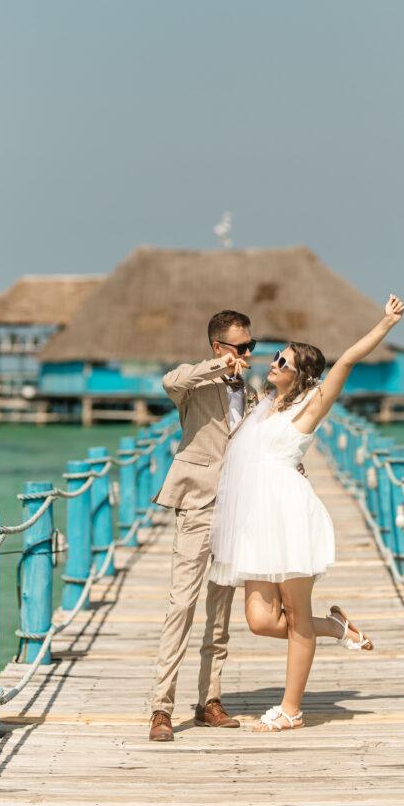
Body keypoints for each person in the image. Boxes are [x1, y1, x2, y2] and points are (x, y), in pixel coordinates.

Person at [209, 293, 404, 732]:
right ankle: (337, 628)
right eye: (275, 356)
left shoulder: (312, 403)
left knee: (296, 618)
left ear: (301, 372)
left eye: (283, 359)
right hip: (254, 521)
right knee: (260, 621)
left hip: (289, 514)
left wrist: (385, 324)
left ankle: (291, 709)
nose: (274, 362)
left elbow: (349, 361)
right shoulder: (263, 405)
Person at [147, 309, 258, 742]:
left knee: (220, 612)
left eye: (251, 345)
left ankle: (209, 699)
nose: (248, 353)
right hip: (196, 504)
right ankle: (161, 707)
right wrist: (219, 367)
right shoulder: (196, 384)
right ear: (218, 347)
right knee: (181, 606)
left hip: (235, 509)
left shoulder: (250, 391)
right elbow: (171, 380)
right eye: (241, 346)